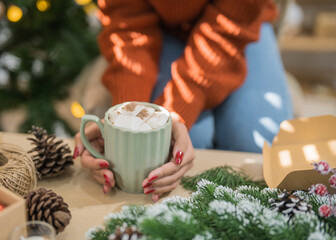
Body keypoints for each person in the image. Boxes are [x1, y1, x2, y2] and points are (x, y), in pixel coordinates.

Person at [74, 0, 293, 201]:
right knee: (178, 145)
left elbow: (226, 31)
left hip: (239, 23)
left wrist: (177, 110)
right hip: (158, 26)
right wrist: (129, 117)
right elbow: (126, 22)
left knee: (256, 149)